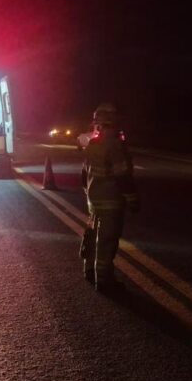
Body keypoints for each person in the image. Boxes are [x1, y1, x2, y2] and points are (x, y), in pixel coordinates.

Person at [80, 103, 140, 290]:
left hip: (94, 201)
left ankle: (89, 270)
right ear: (113, 121)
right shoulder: (114, 145)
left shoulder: (92, 144)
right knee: (107, 241)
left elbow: (84, 174)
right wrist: (132, 199)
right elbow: (122, 176)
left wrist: (89, 195)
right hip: (111, 201)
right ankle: (104, 281)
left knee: (93, 235)